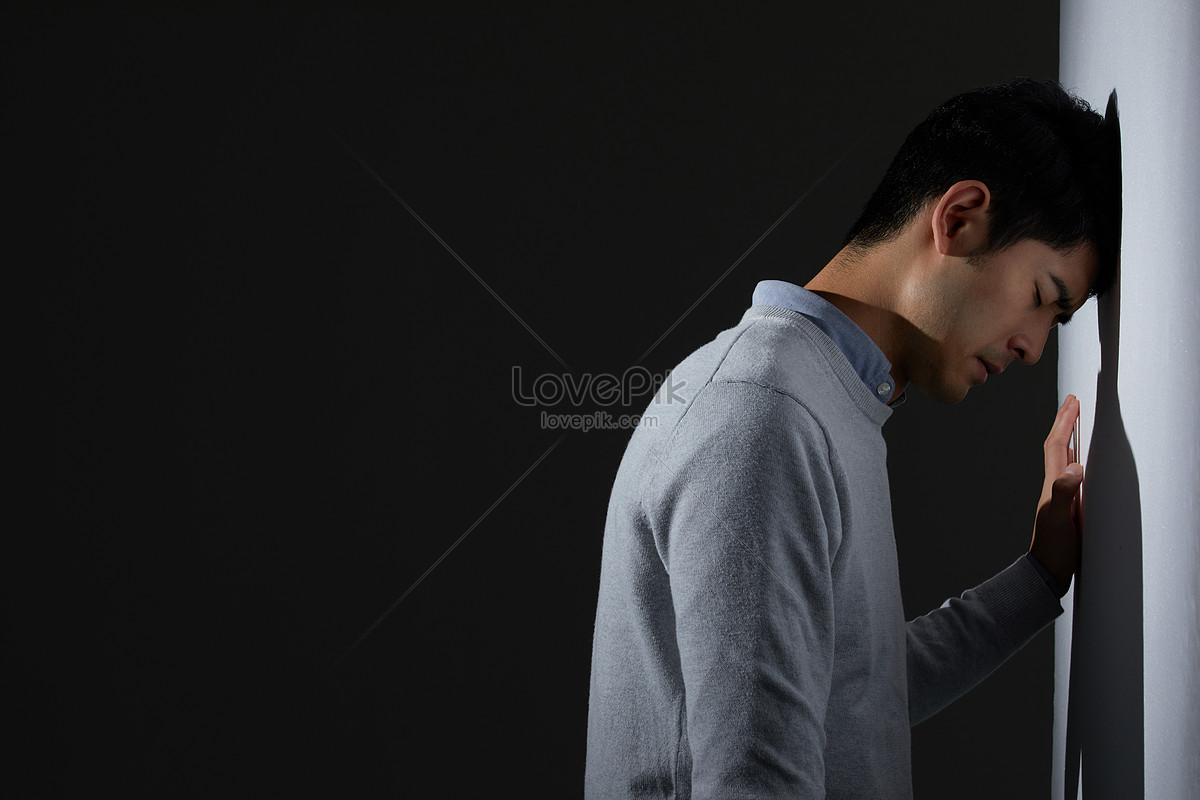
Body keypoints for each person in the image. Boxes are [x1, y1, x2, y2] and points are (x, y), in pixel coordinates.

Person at [584, 77, 1120, 799]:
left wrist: (1040, 575)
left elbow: (849, 694)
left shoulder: (822, 403)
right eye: (1043, 299)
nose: (1032, 348)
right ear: (959, 218)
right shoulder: (764, 416)